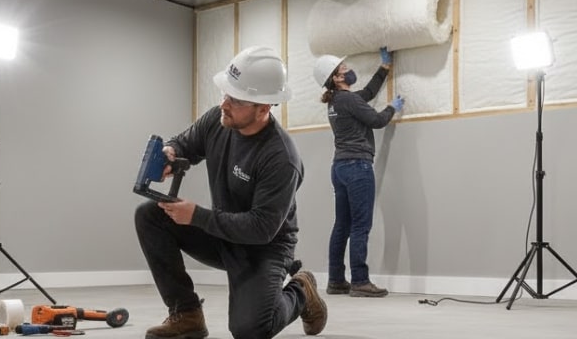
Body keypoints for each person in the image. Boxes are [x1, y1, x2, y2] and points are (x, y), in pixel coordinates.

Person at [135, 46, 327, 339]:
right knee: (150, 216)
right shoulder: (218, 119)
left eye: (236, 99)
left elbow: (262, 228)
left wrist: (197, 216)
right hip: (223, 234)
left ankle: (302, 290)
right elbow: (185, 143)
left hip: (265, 249)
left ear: (263, 108)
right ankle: (187, 315)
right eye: (225, 93)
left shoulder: (281, 158)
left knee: (250, 330)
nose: (224, 103)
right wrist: (171, 153)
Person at [313, 47, 404, 298]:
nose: (349, 70)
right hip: (358, 167)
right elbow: (377, 121)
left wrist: (383, 68)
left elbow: (368, 93)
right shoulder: (349, 100)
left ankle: (335, 281)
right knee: (361, 225)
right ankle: (360, 281)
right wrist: (392, 108)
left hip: (340, 167)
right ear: (336, 78)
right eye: (344, 69)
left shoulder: (336, 101)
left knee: (342, 225)